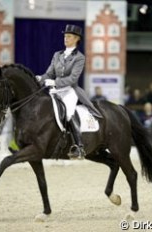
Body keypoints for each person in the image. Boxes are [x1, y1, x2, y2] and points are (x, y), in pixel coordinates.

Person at [36, 24, 102, 159]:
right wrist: (40, 78)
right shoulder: (57, 55)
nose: (66, 39)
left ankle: (79, 146)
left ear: (77, 39)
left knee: (68, 113)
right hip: (55, 91)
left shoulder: (79, 57)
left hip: (70, 91)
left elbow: (73, 79)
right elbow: (49, 73)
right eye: (65, 36)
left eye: (69, 37)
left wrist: (55, 82)